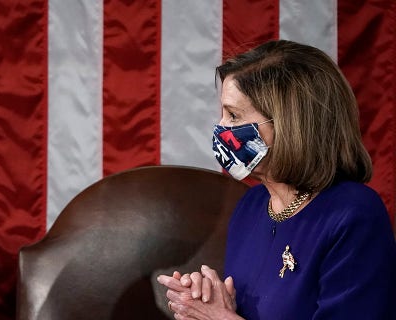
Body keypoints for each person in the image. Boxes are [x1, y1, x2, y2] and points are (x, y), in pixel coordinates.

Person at [157, 40, 396, 319]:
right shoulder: (252, 204)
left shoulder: (354, 216)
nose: (221, 128)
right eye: (223, 113)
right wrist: (211, 303)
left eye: (233, 115)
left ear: (289, 124)